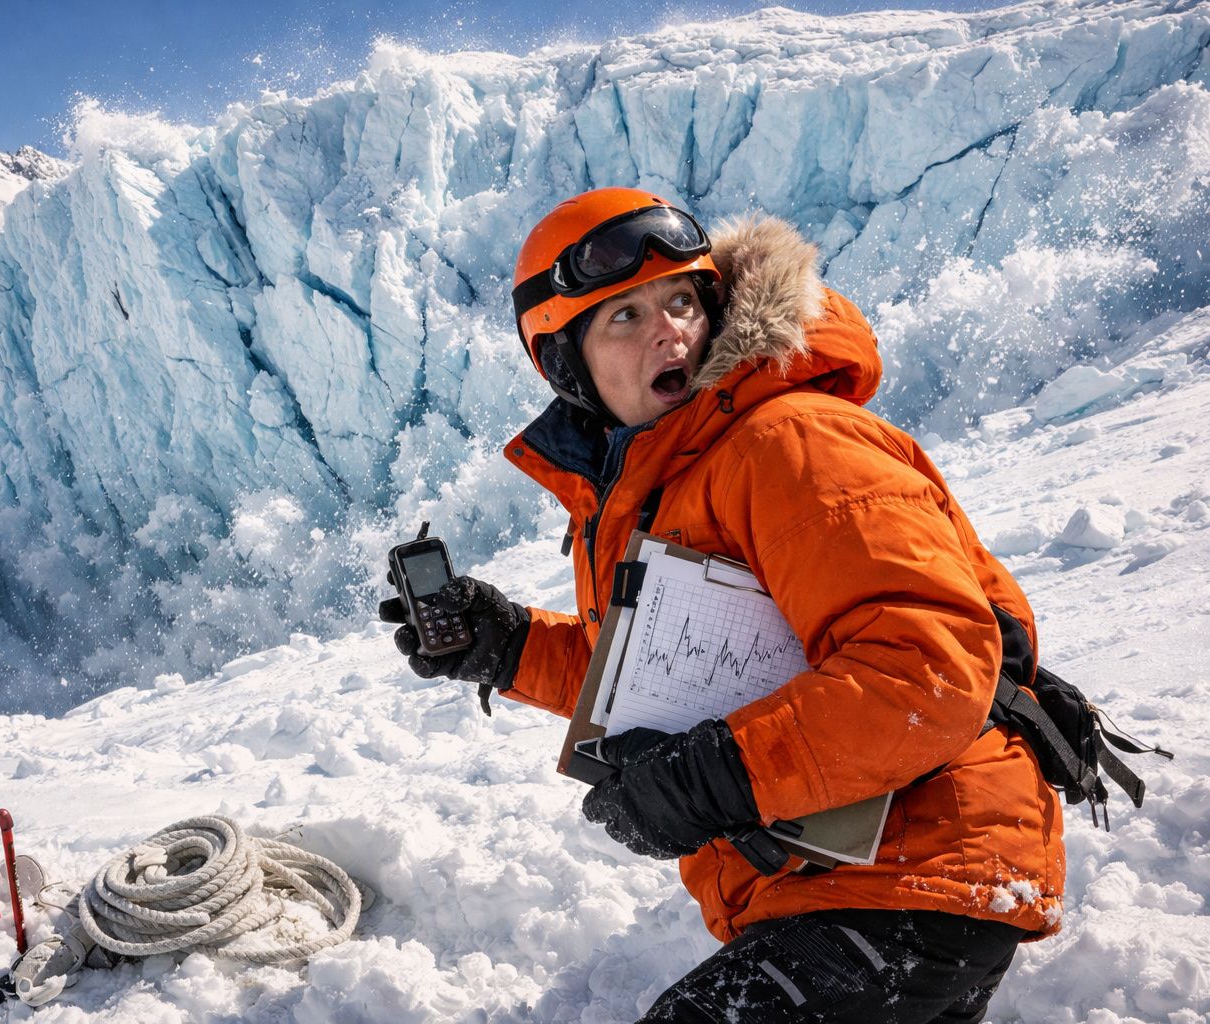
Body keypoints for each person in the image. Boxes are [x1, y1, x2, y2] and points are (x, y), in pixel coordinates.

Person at [378, 187, 1064, 1023]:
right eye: (623, 317)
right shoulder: (669, 476)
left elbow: (927, 669)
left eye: (679, 301)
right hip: (849, 878)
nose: (669, 329)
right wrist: (510, 646)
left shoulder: (788, 440)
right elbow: (685, 676)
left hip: (908, 871)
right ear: (565, 364)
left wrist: (714, 778)